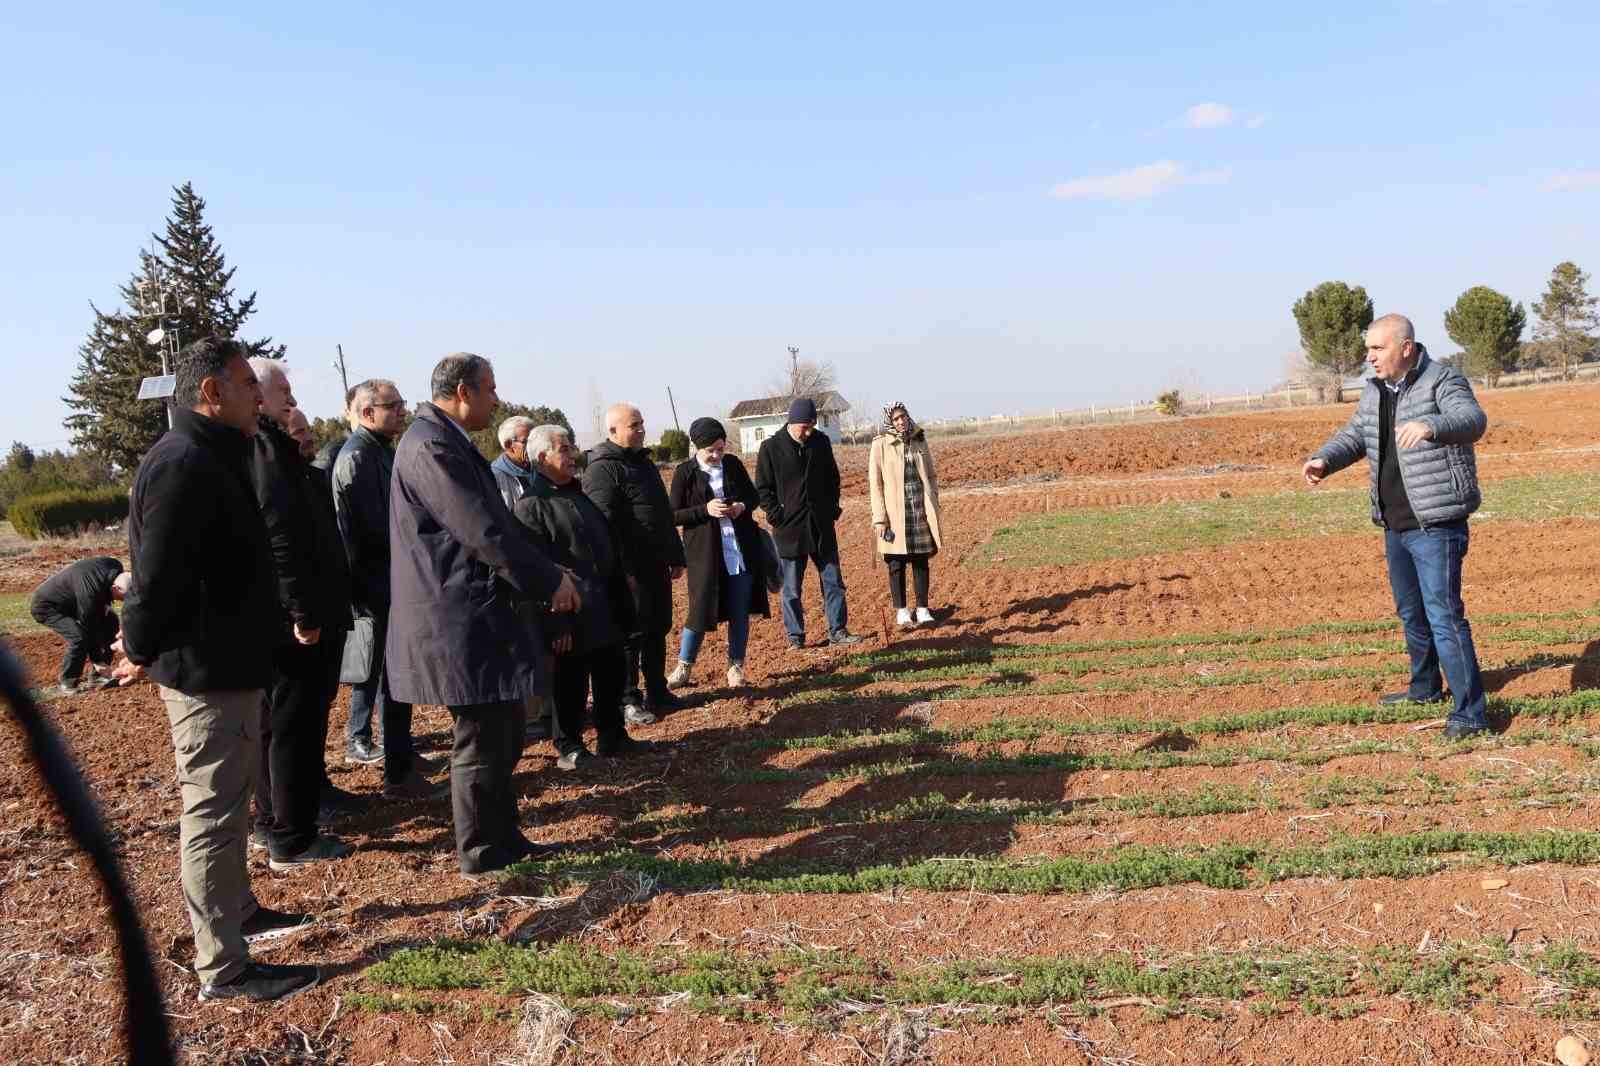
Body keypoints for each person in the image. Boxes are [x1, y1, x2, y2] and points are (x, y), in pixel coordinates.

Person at [115, 335, 322, 1002]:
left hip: (234, 660)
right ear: (210, 393)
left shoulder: (215, 456)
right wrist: (137, 649)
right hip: (207, 671)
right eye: (244, 384)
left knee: (231, 806)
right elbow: (155, 578)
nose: (257, 395)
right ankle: (224, 969)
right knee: (212, 811)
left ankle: (240, 914)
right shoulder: (183, 463)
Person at [386, 353, 580, 877]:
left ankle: (505, 837)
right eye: (490, 389)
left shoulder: (445, 440)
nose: (497, 399)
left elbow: (497, 526)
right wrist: (548, 582)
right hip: (459, 617)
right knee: (480, 736)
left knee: (503, 731)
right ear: (463, 392)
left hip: (479, 614)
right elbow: (481, 531)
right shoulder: (430, 445)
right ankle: (479, 851)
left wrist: (545, 571)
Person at [1303, 314, 1491, 741]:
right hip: (1395, 521)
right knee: (1412, 611)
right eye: (1367, 349)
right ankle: (1425, 688)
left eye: (1377, 349)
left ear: (1405, 347)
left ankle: (1471, 714)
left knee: (1445, 615)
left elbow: (1473, 420)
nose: (1369, 357)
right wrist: (1324, 460)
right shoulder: (1375, 392)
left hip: (1436, 521)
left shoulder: (1443, 381)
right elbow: (1356, 435)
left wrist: (1432, 425)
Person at [244, 359, 357, 873]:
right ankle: (291, 836)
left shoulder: (271, 448)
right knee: (292, 725)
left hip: (300, 612)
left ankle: (278, 822)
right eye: (281, 390)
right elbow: (281, 536)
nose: (291, 398)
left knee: (283, 723)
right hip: (297, 621)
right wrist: (303, 609)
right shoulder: (266, 451)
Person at [512, 425, 654, 767]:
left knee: (610, 673)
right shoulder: (532, 506)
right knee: (570, 683)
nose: (573, 454)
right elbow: (534, 570)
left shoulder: (577, 494)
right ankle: (569, 746)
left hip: (603, 604)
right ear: (543, 457)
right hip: (568, 613)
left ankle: (613, 736)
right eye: (565, 449)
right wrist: (556, 624)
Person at [333, 379, 441, 793]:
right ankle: (397, 770)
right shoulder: (359, 458)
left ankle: (401, 754)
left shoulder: (377, 451)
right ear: (366, 413)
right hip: (377, 586)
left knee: (394, 676)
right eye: (391, 405)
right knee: (390, 676)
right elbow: (374, 530)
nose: (401, 410)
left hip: (388, 582)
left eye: (401, 403)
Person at [583, 404, 687, 722]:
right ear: (613, 431)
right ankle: (628, 699)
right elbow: (603, 525)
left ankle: (657, 690)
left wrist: (675, 555)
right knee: (631, 635)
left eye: (641, 422)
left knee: (658, 628)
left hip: (655, 565)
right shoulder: (602, 469)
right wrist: (620, 570)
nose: (641, 429)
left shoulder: (644, 464)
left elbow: (661, 515)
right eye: (633, 425)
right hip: (629, 570)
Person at [666, 417, 769, 688]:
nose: (716, 455)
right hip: (705, 556)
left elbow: (753, 496)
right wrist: (705, 510)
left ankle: (736, 667)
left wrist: (741, 507)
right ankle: (684, 667)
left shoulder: (733, 465)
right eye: (710, 450)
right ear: (696, 447)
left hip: (739, 551)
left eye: (720, 449)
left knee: (739, 611)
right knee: (699, 611)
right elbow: (672, 514)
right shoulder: (685, 473)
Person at [754, 397, 862, 648]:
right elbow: (763, 488)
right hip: (789, 531)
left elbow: (832, 478)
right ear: (792, 422)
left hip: (821, 527)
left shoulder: (821, 442)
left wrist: (832, 509)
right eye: (805, 426)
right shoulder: (770, 448)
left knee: (833, 582)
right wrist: (776, 516)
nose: (809, 431)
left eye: (812, 426)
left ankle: (838, 631)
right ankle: (796, 637)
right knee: (791, 589)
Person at [868, 402, 944, 628]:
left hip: (919, 511)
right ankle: (902, 610)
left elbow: (930, 474)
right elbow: (876, 484)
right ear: (889, 422)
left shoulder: (919, 439)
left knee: (921, 561)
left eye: (904, 417)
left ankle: (922, 609)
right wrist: (880, 517)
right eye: (896, 419)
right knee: (896, 563)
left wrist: (934, 499)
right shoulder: (880, 444)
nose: (901, 421)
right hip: (894, 515)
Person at [30, 557, 131, 696]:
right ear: (115, 587)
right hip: (47, 606)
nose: (122, 601)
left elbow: (101, 588)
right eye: (122, 597)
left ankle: (97, 677)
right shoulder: (89, 593)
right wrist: (97, 659)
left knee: (111, 623)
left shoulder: (115, 566)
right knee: (79, 636)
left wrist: (105, 601)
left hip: (74, 599)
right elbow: (89, 625)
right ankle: (67, 683)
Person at [490, 415, 539, 508]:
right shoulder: (494, 477)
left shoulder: (541, 469)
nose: (534, 445)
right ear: (509, 445)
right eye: (527, 441)